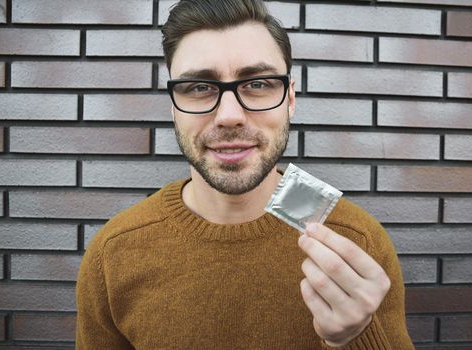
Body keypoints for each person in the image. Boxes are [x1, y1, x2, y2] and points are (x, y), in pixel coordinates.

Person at [75, 0, 414, 349]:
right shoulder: (113, 252)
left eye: (258, 84)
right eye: (198, 87)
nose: (229, 115)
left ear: (290, 99)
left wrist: (353, 338)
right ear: (173, 106)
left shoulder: (357, 243)